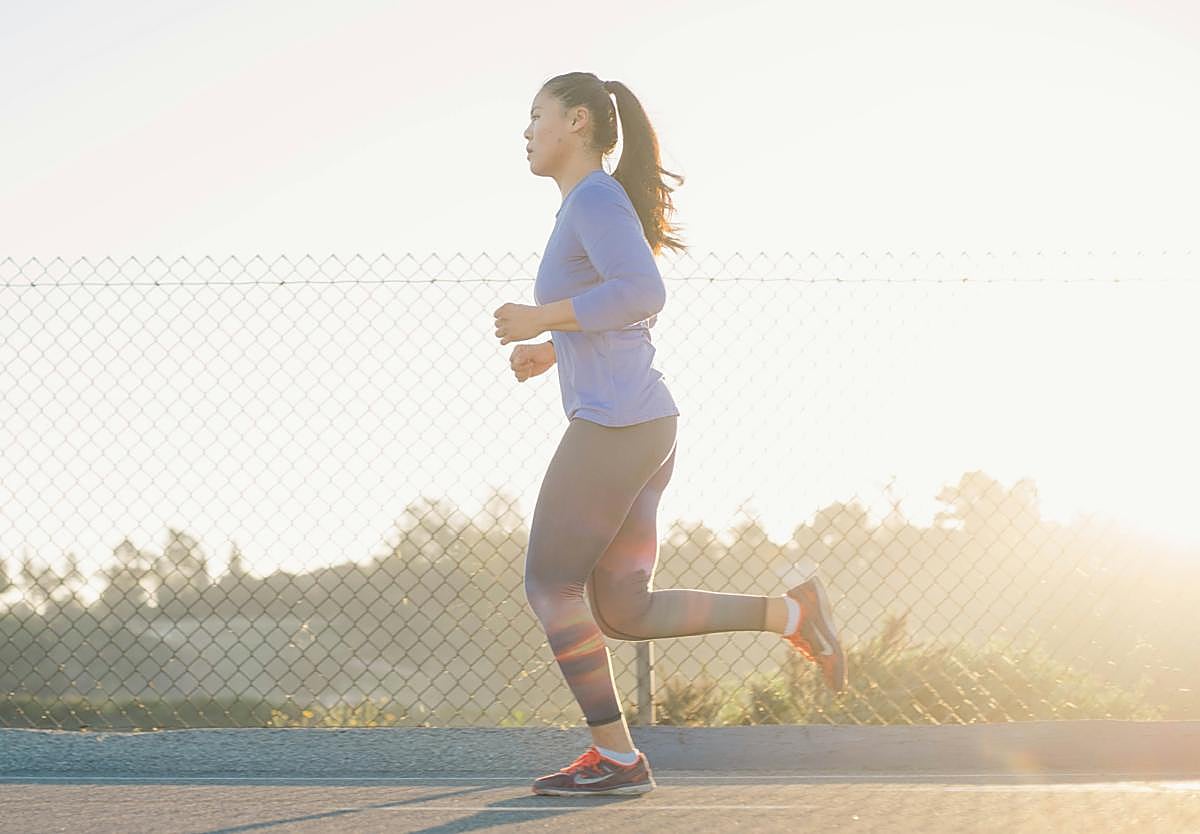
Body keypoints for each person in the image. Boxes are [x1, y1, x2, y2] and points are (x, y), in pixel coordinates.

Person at [493, 71, 847, 798]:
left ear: (580, 122)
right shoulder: (586, 205)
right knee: (623, 609)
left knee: (550, 584)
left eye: (537, 116)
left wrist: (543, 318)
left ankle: (618, 759)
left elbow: (644, 293)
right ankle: (794, 613)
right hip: (643, 424)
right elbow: (621, 309)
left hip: (619, 427)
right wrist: (552, 349)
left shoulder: (592, 197)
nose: (526, 131)